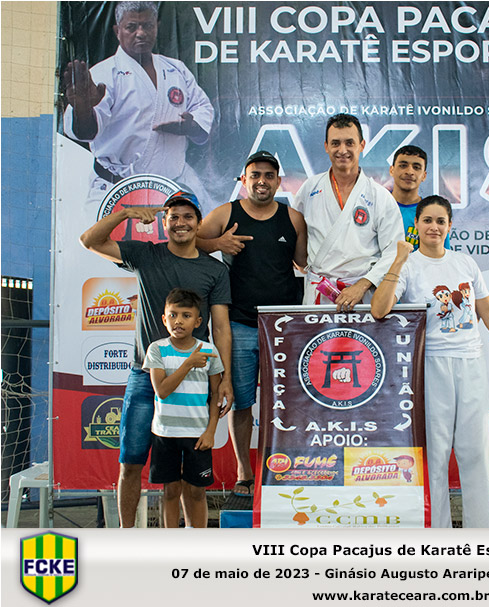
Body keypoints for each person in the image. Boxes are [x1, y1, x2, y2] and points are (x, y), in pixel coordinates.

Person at [371, 195, 489, 528]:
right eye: (427, 220)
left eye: (440, 221)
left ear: (450, 226)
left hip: (471, 363)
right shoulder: (409, 265)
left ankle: (482, 531)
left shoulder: (465, 263)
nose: (434, 227)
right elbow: (379, 309)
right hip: (430, 365)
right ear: (416, 224)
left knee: (476, 451)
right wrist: (397, 261)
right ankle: (437, 533)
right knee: (434, 454)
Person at [79, 189, 232, 527]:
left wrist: (226, 380)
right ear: (164, 223)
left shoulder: (215, 270)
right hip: (144, 376)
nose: (180, 223)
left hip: (195, 381)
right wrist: (125, 214)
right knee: (131, 462)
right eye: (173, 217)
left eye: (188, 217)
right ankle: (127, 535)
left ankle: (189, 544)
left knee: (189, 476)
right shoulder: (145, 254)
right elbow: (89, 240)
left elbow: (221, 328)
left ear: (199, 223)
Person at [197, 150, 307, 497]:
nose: (262, 181)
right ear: (244, 180)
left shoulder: (293, 218)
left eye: (268, 175)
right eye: (254, 175)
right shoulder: (226, 213)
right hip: (239, 324)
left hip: (284, 328)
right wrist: (218, 243)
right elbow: (190, 239)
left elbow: (304, 263)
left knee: (288, 402)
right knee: (242, 401)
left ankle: (289, 467)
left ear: (278, 181)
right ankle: (245, 473)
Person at [62, 1, 215, 210]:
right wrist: (83, 109)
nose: (141, 33)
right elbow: (86, 133)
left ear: (156, 27)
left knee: (205, 224)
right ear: (117, 31)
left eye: (147, 26)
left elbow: (203, 108)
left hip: (172, 187)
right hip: (116, 187)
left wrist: (191, 126)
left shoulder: (175, 69)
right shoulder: (104, 74)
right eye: (131, 27)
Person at [292, 113, 404, 310]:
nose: (342, 150)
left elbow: (393, 251)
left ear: (362, 145)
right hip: (320, 291)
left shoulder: (379, 196)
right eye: (335, 143)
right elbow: (294, 233)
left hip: (362, 295)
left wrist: (363, 284)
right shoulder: (310, 189)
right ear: (326, 146)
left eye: (349, 143)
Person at [143, 288, 224, 527]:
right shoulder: (156, 349)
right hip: (165, 433)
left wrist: (210, 431)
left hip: (197, 434)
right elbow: (162, 391)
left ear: (198, 321)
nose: (178, 321)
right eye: (173, 315)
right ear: (164, 319)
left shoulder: (208, 350)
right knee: (170, 490)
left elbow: (216, 394)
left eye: (186, 316)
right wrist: (188, 364)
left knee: (197, 491)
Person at [389, 145, 450, 250]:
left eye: (416, 167)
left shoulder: (432, 213)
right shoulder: (376, 207)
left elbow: (441, 256)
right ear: (392, 170)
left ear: (424, 176)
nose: (409, 172)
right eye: (403, 165)